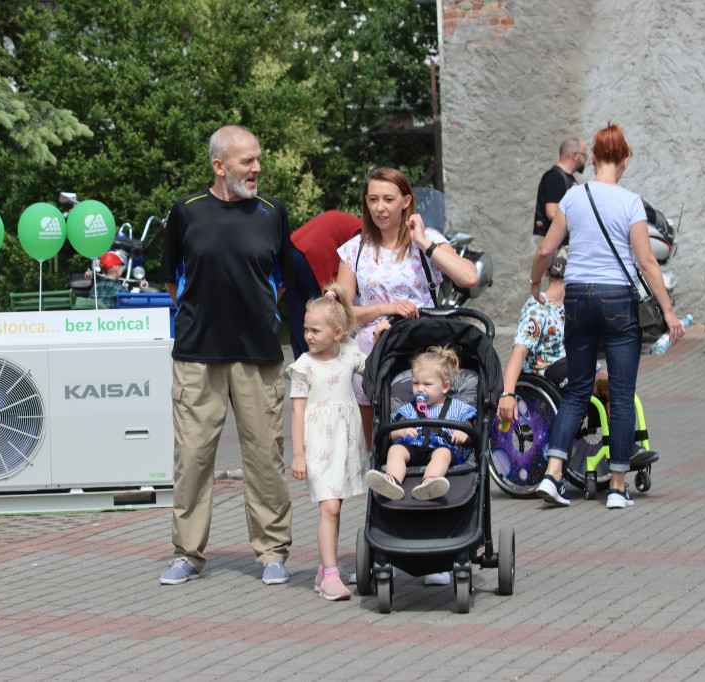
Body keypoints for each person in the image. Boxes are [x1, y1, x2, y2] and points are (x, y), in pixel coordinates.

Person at [159, 125, 294, 586]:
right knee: (193, 456)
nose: (256, 169)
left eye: (258, 159)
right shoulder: (185, 213)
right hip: (198, 354)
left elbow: (282, 281)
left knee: (265, 456)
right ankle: (187, 554)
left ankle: (272, 552)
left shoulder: (274, 213)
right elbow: (174, 284)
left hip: (259, 354)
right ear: (219, 166)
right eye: (246, 162)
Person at [530, 122, 684, 510]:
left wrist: (535, 284)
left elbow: (547, 249)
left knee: (578, 390)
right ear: (626, 161)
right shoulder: (631, 202)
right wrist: (668, 311)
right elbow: (647, 262)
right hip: (618, 300)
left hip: (578, 297)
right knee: (620, 391)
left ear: (594, 157)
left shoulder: (572, 196)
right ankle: (617, 487)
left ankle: (552, 475)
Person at [336, 168, 478, 450]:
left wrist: (424, 242)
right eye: (373, 199)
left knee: (430, 424)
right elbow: (342, 313)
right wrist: (387, 307)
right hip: (373, 349)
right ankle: (381, 479)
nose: (380, 208)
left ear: (406, 201)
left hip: (422, 345)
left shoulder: (428, 238)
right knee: (376, 444)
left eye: (388, 199)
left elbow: (469, 277)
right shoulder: (355, 249)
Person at [286, 284, 367, 601]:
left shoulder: (349, 353)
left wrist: (384, 331)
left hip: (345, 443)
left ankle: (324, 568)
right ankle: (332, 576)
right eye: (306, 329)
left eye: (315, 330)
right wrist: (297, 455)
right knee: (330, 506)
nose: (308, 335)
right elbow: (296, 412)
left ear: (337, 332)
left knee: (336, 506)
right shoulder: (304, 366)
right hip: (318, 443)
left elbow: (372, 365)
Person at [365, 346, 477, 501]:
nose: (420, 389)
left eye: (427, 384)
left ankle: (430, 482)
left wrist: (464, 434)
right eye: (416, 383)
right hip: (413, 448)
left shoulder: (457, 407)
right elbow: (392, 434)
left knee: (442, 455)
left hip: (441, 446)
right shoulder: (410, 408)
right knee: (396, 450)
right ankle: (392, 481)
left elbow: (470, 431)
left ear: (445, 386)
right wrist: (401, 432)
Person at [497, 248, 570, 426]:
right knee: (602, 382)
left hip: (567, 371)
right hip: (546, 378)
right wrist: (508, 393)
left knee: (609, 378)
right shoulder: (537, 308)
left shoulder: (571, 307)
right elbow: (519, 352)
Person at [285, 211, 362, 359]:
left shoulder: (345, 220)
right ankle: (327, 364)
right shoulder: (364, 230)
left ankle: (302, 364)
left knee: (299, 316)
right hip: (314, 257)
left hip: (292, 252)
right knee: (328, 315)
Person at [533, 137, 587, 236]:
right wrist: (580, 225)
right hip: (555, 245)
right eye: (584, 156)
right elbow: (552, 212)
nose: (585, 160)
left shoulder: (568, 179)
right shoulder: (555, 177)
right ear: (575, 155)